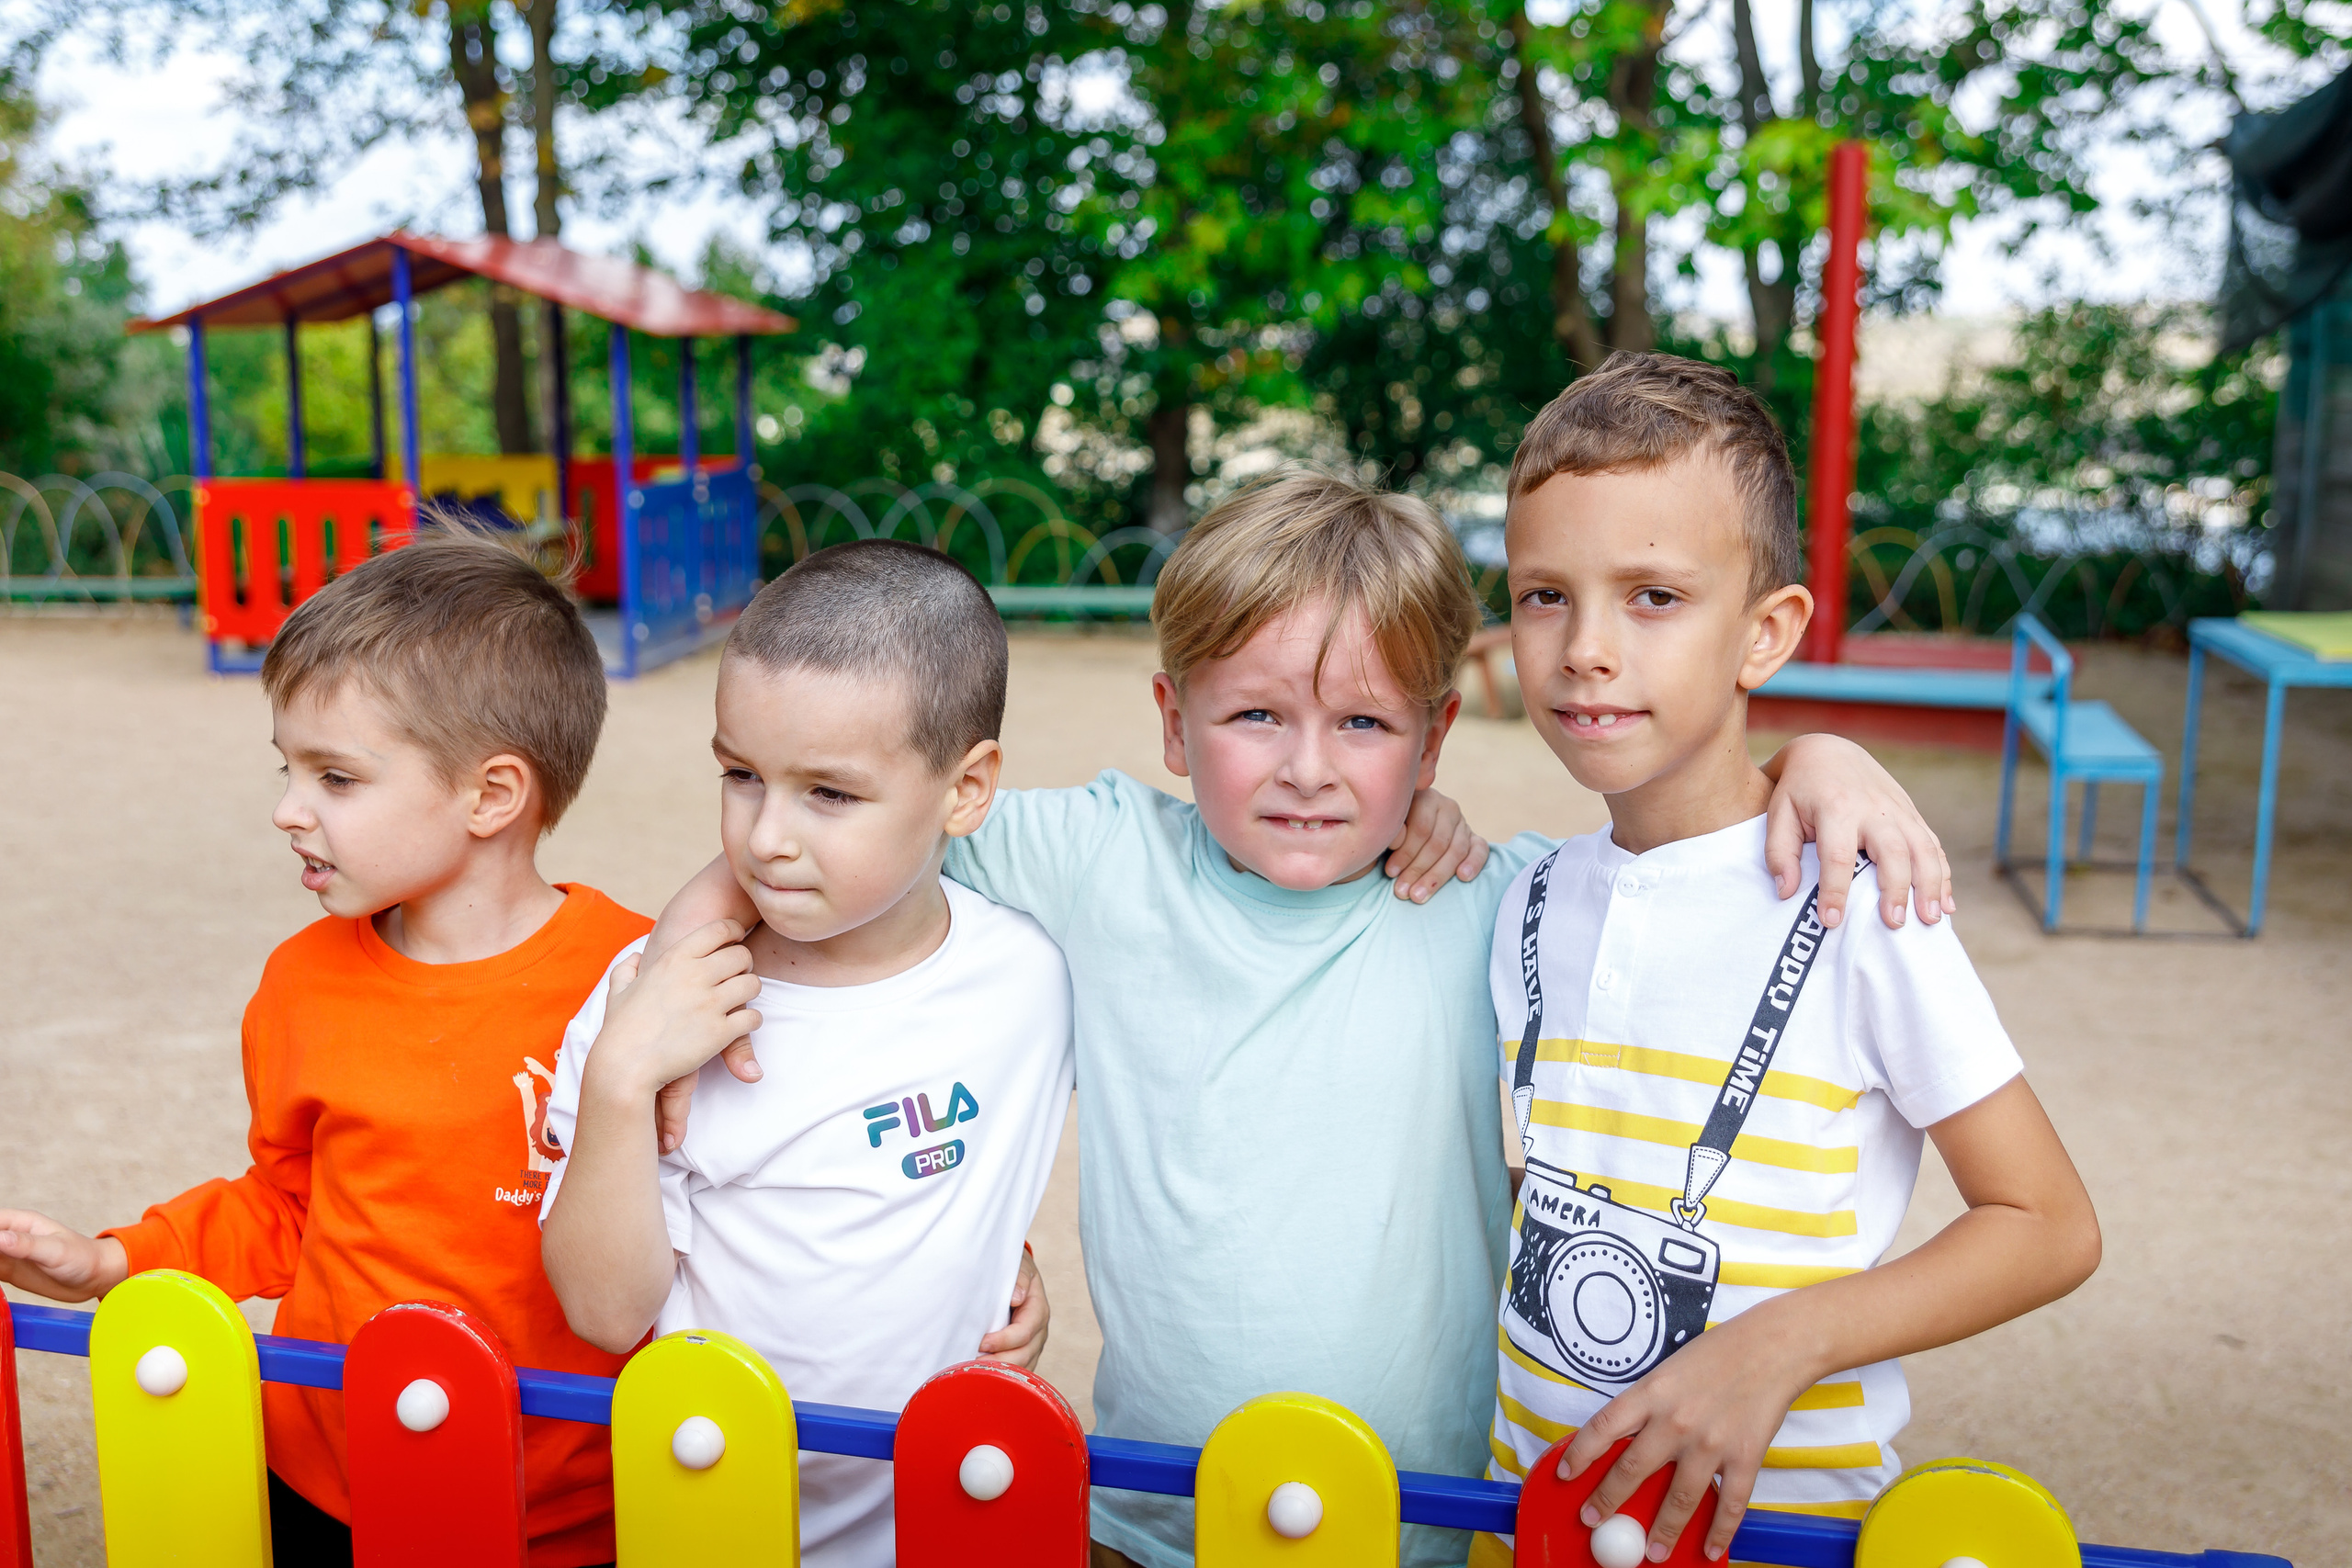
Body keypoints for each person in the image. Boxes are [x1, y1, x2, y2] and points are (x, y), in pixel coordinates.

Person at [644, 470, 1956, 1568]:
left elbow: (1689, 844)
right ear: (1173, 718)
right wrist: (678, 961)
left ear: (1433, 741)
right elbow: (825, 829)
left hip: (1421, 1518)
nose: (1310, 767)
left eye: (1366, 724)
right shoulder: (1095, 859)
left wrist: (1815, 756)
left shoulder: (1490, 902)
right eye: (1256, 714)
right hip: (1151, 1512)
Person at [1478, 353, 2101, 1566]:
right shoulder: (1525, 899)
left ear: (1766, 631)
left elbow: (2050, 1222)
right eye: (1544, 593)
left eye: (1654, 595)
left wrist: (1779, 1342)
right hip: (1531, 1513)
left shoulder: (1859, 901)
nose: (1587, 647)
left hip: (1778, 1534)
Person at [0, 532, 655, 1567]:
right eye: (288, 767)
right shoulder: (302, 982)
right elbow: (288, 1203)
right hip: (328, 1476)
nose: (287, 811)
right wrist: (112, 1261)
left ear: (492, 795)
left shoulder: (638, 981)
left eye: (336, 778)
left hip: (571, 1510)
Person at [537, 541, 1074, 1568]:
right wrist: (620, 1080)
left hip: (960, 1523)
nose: (767, 836)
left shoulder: (1032, 978)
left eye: (828, 794)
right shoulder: (647, 1002)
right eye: (740, 775)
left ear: (967, 790)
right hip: (712, 1529)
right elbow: (606, 1315)